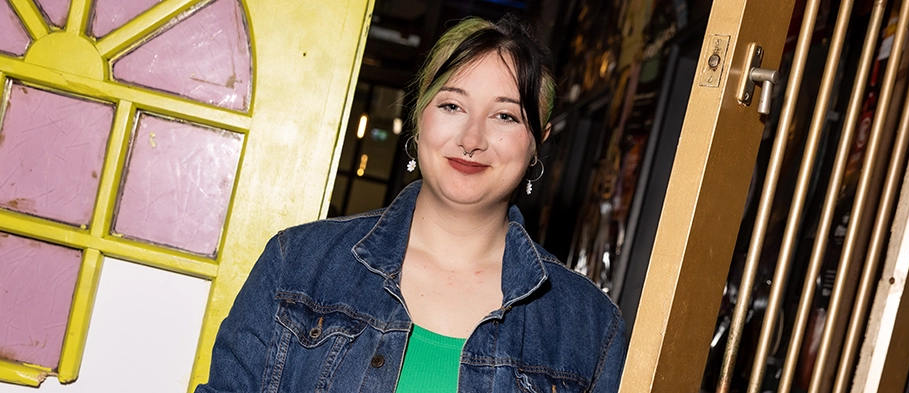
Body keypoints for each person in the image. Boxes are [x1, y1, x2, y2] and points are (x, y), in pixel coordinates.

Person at [195, 15, 625, 393]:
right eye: (453, 105)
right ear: (419, 116)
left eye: (505, 116)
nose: (471, 140)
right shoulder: (298, 263)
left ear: (537, 142)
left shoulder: (588, 326)